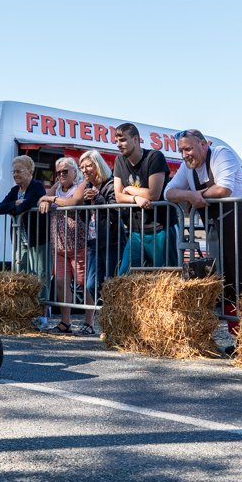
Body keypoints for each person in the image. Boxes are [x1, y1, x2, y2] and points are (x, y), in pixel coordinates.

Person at [164, 129, 242, 335]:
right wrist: (193, 195)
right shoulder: (187, 168)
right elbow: (168, 192)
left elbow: (223, 190)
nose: (185, 155)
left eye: (188, 149)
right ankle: (238, 338)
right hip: (218, 229)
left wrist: (193, 195)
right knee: (227, 283)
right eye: (181, 151)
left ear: (203, 144)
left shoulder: (221, 154)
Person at [112, 122, 180, 274]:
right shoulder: (119, 161)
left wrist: (129, 189)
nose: (118, 144)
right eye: (116, 141)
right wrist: (136, 199)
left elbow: (153, 195)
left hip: (161, 228)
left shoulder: (155, 157)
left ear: (135, 139)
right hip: (136, 231)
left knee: (165, 279)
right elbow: (118, 196)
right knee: (124, 278)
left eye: (122, 140)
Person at [78, 150, 125, 336]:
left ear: (98, 165)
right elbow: (84, 217)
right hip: (94, 241)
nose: (84, 170)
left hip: (112, 240)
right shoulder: (87, 186)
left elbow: (116, 211)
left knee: (112, 283)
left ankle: (114, 326)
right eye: (82, 167)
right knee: (91, 284)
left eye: (88, 165)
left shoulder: (111, 184)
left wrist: (97, 198)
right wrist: (85, 201)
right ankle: (108, 318)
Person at [38, 157, 87, 335]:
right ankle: (65, 323)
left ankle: (88, 322)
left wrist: (50, 198)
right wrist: (44, 200)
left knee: (83, 284)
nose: (61, 175)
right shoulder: (57, 187)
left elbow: (75, 202)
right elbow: (41, 200)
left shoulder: (81, 184)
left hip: (79, 244)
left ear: (75, 171)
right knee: (60, 284)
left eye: (65, 171)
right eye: (58, 172)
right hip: (59, 246)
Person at [0, 155, 50, 307]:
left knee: (41, 277)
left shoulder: (37, 186)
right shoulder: (15, 190)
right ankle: (26, 310)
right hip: (21, 241)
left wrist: (15, 207)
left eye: (18, 171)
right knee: (22, 275)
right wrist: (14, 203)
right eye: (13, 172)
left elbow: (24, 207)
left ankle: (43, 315)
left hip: (38, 239)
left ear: (30, 171)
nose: (15, 175)